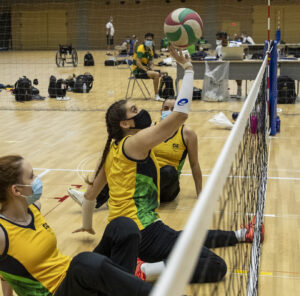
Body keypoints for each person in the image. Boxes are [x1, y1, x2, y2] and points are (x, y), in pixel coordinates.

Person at [74, 46, 265, 284]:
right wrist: (187, 70)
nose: (141, 110)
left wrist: (87, 226)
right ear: (125, 123)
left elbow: (90, 196)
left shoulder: (113, 148)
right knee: (216, 265)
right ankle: (146, 270)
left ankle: (239, 234)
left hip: (124, 233)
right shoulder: (135, 142)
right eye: (135, 110)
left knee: (187, 237)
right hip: (145, 230)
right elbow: (181, 114)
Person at [0, 155, 152, 296]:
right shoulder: (2, 233)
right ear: (16, 190)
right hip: (54, 292)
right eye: (31, 175)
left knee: (123, 227)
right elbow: (4, 271)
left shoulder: (34, 207)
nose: (37, 178)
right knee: (84, 263)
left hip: (71, 280)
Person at [68, 97, 202, 206]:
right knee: (122, 162)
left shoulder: (187, 133)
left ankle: (126, 197)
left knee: (168, 171)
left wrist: (200, 194)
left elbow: (195, 165)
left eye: (173, 109)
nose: (168, 111)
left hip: (167, 187)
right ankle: (95, 196)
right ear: (161, 110)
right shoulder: (149, 130)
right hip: (147, 178)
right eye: (165, 108)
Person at [132, 32, 163, 101]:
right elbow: (138, 63)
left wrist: (151, 68)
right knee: (156, 74)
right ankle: (156, 95)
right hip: (137, 70)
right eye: (147, 40)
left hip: (145, 69)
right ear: (144, 40)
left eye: (150, 40)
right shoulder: (141, 48)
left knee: (161, 73)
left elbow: (150, 63)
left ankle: (162, 93)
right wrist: (146, 70)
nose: (149, 41)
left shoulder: (150, 50)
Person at [215, 31, 243, 99]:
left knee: (238, 74)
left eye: (219, 39)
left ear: (224, 38)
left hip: (233, 65)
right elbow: (216, 58)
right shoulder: (218, 48)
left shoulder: (233, 45)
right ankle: (222, 92)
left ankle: (239, 90)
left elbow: (239, 55)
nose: (218, 40)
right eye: (217, 39)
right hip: (222, 66)